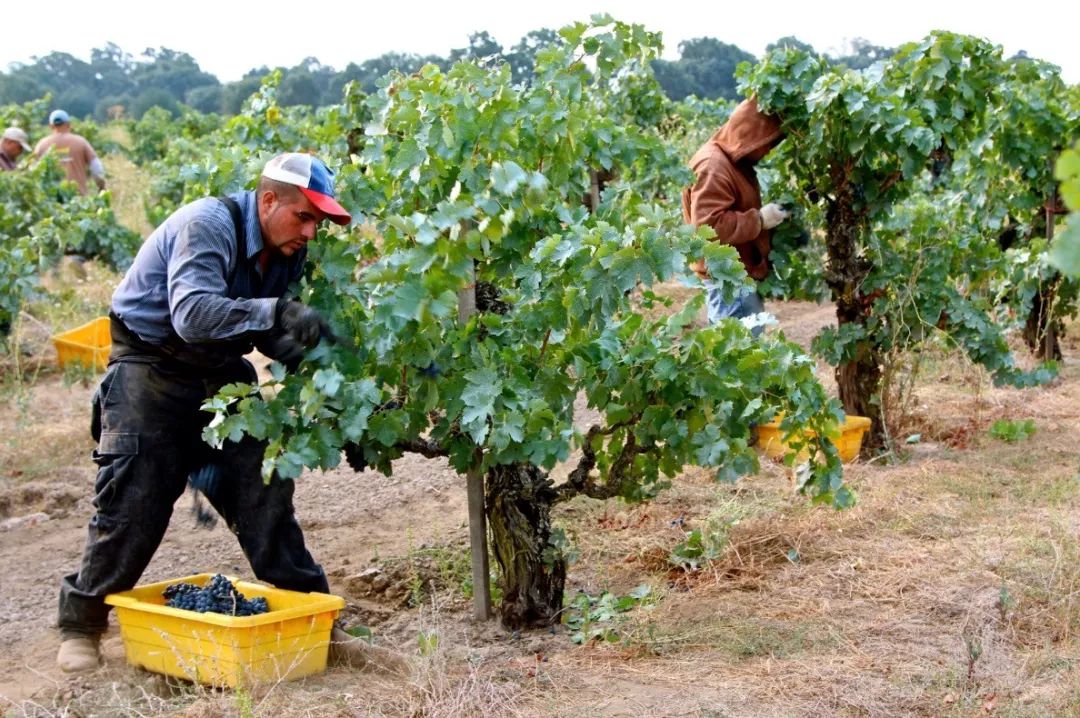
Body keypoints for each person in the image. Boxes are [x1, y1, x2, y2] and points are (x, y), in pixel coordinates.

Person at [56, 152, 403, 676]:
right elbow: (193, 314)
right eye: (304, 216)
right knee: (135, 498)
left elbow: (266, 332)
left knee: (263, 491)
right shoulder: (208, 225)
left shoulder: (285, 249)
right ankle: (82, 624)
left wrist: (330, 369)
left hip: (219, 368)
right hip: (151, 367)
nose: (311, 232)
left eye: (318, 222)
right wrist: (277, 312)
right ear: (268, 200)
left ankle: (313, 623)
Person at [682, 97, 790, 335]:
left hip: (735, 275)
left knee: (738, 356)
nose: (768, 151)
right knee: (740, 358)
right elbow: (707, 228)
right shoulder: (714, 167)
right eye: (767, 143)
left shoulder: (731, 162)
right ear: (750, 134)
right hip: (729, 282)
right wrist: (758, 220)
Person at [33, 109, 106, 194]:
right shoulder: (81, 142)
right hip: (77, 197)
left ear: (51, 126)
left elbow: (34, 170)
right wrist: (101, 186)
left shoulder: (42, 144)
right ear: (68, 124)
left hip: (50, 200)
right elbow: (97, 169)